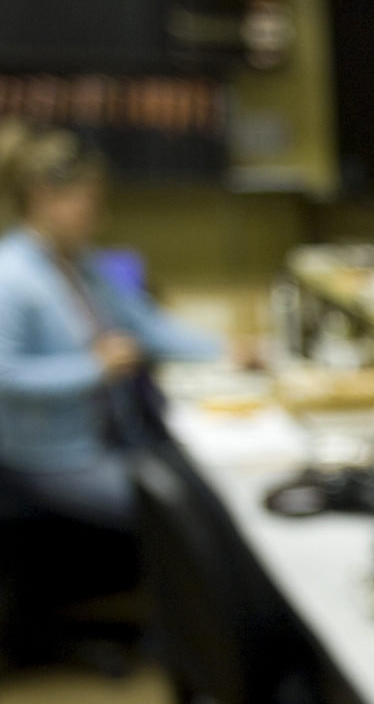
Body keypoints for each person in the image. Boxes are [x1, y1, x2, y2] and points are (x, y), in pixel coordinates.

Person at [0, 125, 227, 532]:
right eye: (87, 204)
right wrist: (93, 368)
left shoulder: (81, 263)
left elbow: (146, 324)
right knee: (182, 518)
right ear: (42, 196)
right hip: (50, 457)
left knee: (213, 487)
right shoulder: (10, 274)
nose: (98, 217)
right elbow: (5, 373)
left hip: (114, 440)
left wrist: (226, 349)